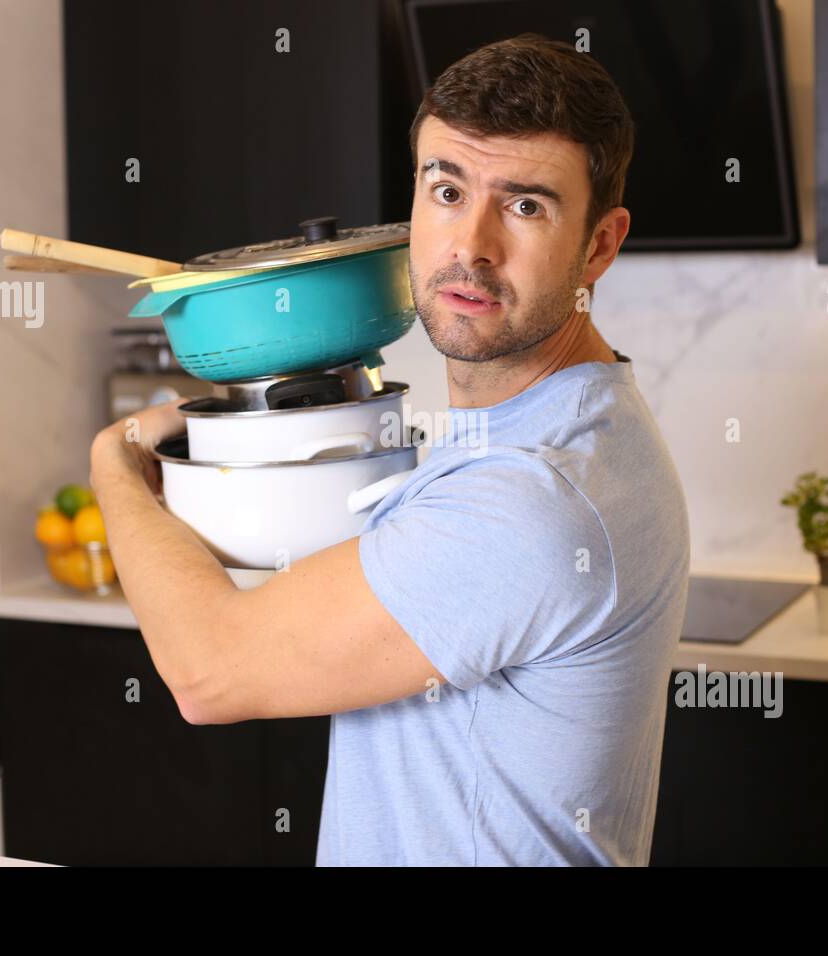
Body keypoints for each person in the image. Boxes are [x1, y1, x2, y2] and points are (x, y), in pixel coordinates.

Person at [90, 34, 690, 866]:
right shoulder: (555, 424)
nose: (470, 246)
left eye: (525, 206)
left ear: (599, 243)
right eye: (446, 189)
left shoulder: (533, 495)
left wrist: (115, 465)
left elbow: (209, 672)